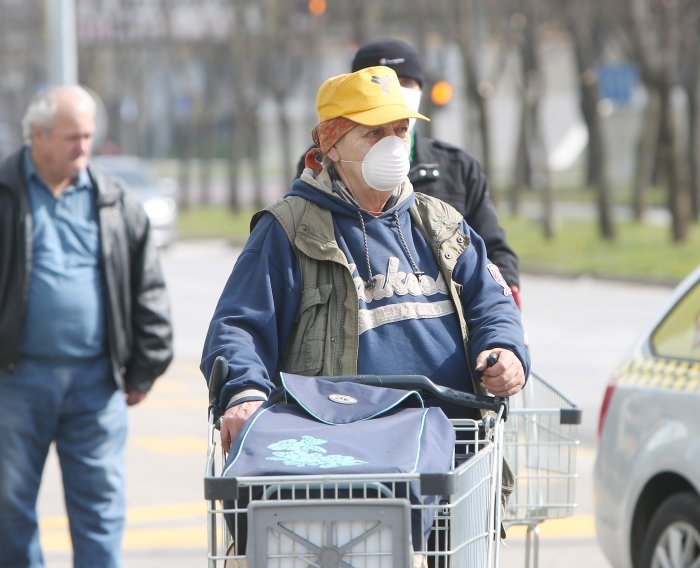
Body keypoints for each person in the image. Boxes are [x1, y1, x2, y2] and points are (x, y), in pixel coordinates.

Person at [203, 64, 528, 449]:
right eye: (374, 132)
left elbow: (492, 301)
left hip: (453, 451)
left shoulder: (442, 222)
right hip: (344, 458)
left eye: (400, 130)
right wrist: (244, 394)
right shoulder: (289, 229)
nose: (392, 144)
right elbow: (239, 327)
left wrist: (505, 349)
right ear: (331, 144)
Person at [0, 85, 173, 567]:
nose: (83, 147)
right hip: (14, 380)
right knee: (12, 511)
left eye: (88, 136)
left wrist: (144, 369)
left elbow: (148, 291)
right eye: (71, 137)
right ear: (36, 136)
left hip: (97, 385)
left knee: (100, 512)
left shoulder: (115, 201)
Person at [296, 38, 522, 306]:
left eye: (407, 82)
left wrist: (501, 306)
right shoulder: (321, 167)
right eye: (373, 133)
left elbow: (491, 253)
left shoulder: (456, 167)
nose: (397, 91)